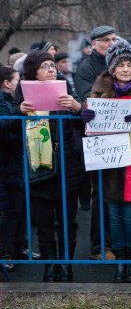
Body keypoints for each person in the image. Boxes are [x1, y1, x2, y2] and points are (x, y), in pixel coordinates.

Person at [82, 38, 131, 283]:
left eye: (130, 64)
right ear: (112, 68)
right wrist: (86, 111)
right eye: (121, 64)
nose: (126, 69)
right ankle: (121, 262)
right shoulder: (101, 84)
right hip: (109, 161)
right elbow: (90, 102)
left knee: (130, 215)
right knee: (114, 216)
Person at [16, 51, 83, 282]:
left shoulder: (64, 88)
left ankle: (67, 265)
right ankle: (49, 265)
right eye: (45, 66)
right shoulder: (22, 93)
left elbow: (87, 121)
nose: (51, 69)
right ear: (34, 71)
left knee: (68, 222)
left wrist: (76, 107)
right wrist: (19, 113)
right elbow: (9, 129)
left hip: (67, 168)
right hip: (38, 168)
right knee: (44, 225)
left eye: (52, 65)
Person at [75, 25, 117, 261]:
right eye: (106, 40)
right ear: (94, 43)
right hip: (98, 137)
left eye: (113, 39)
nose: (111, 43)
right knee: (101, 193)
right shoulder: (86, 67)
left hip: (120, 134)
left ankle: (120, 242)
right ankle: (99, 246)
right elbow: (86, 98)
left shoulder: (117, 63)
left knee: (120, 191)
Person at [0, 67, 40, 272]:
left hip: (17, 160)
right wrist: (19, 113)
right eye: (17, 81)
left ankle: (20, 247)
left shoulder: (11, 101)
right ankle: (4, 251)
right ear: (7, 83)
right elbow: (5, 125)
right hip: (8, 162)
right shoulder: (3, 101)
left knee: (23, 205)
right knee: (12, 208)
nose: (20, 85)